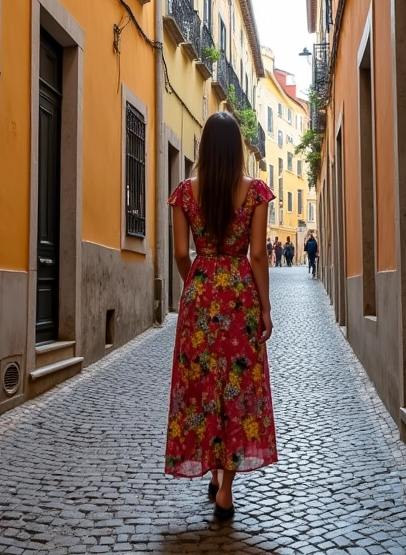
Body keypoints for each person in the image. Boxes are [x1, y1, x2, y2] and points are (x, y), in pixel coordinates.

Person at [166, 112, 277, 521]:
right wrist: (264, 306)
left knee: (203, 383)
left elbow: (181, 253)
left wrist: (195, 283)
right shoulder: (255, 193)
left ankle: (212, 472)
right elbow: (259, 254)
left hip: (200, 295)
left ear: (204, 148)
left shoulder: (183, 193)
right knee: (236, 386)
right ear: (238, 150)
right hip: (239, 297)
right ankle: (226, 490)